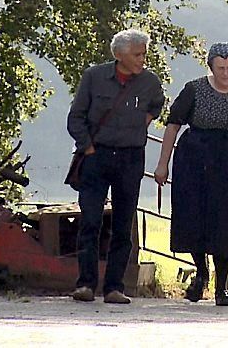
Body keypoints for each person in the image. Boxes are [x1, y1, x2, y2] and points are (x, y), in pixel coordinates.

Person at [154, 43, 228, 306]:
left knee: (227, 220)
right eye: (221, 68)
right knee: (193, 216)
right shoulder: (193, 89)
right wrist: (163, 163)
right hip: (195, 159)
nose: (226, 73)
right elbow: (173, 126)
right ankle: (201, 273)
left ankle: (222, 287)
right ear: (211, 67)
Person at [67, 29, 166, 304]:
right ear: (120, 54)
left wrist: (138, 125)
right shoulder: (94, 77)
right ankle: (86, 284)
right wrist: (87, 146)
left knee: (123, 224)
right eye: (137, 54)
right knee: (90, 220)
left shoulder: (149, 82)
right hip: (96, 156)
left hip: (130, 158)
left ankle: (114, 287)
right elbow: (75, 117)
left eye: (144, 53)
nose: (142, 59)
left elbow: (157, 106)